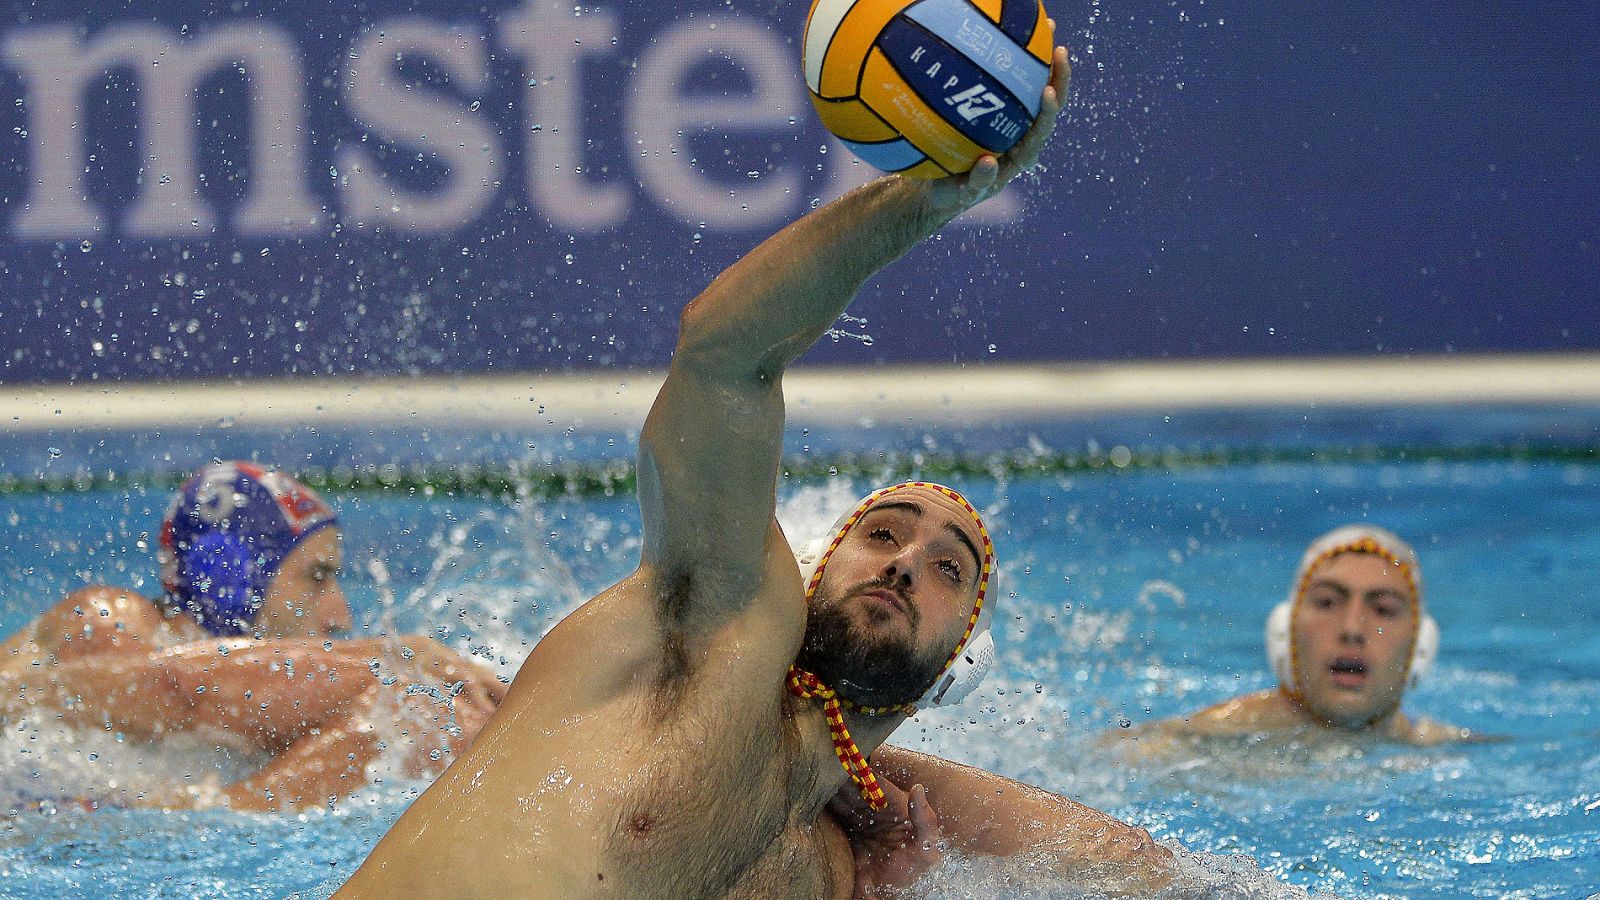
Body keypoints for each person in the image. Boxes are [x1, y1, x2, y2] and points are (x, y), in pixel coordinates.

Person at [341, 46, 1172, 899]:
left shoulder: (815, 865)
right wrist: (915, 206)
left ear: (961, 663)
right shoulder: (715, 624)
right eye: (882, 533)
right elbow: (724, 354)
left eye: (947, 570)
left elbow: (1152, 873)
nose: (902, 562)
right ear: (813, 571)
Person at [0, 461, 504, 811]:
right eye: (316, 578)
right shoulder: (110, 620)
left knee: (412, 710)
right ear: (231, 573)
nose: (341, 616)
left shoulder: (243, 697)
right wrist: (381, 655)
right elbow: (177, 688)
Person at [1128, 524, 1473, 747]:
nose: (1352, 629)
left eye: (1383, 609)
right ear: (1285, 631)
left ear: (1419, 645)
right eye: (1327, 603)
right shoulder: (1194, 741)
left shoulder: (1448, 750)